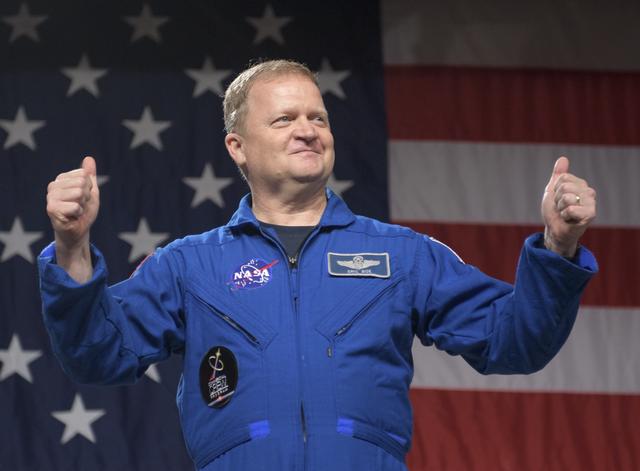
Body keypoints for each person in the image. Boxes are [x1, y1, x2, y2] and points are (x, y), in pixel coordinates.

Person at [39, 60, 597, 471]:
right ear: (237, 146)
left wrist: (558, 245)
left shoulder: (402, 254)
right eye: (284, 119)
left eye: (318, 117)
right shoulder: (189, 265)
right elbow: (97, 354)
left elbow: (513, 341)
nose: (308, 130)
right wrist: (72, 247)